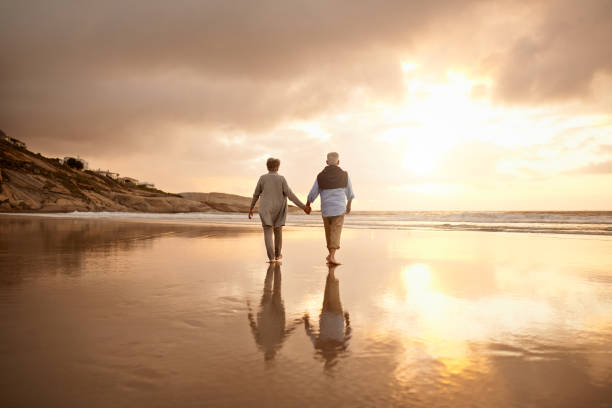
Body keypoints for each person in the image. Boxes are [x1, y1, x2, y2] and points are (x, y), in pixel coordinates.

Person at [249, 157, 310, 262]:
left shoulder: (262, 178)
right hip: (279, 210)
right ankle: (277, 255)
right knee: (278, 231)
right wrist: (303, 207)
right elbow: (290, 195)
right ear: (277, 167)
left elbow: (256, 194)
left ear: (267, 167)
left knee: (267, 232)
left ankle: (271, 258)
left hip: (265, 209)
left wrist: (251, 208)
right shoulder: (281, 179)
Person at [305, 152, 354, 265]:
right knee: (336, 232)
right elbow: (350, 192)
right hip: (339, 208)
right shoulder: (344, 175)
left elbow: (313, 192)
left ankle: (330, 255)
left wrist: (308, 204)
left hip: (326, 209)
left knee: (329, 232)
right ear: (338, 162)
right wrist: (349, 205)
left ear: (327, 162)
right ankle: (331, 256)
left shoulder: (320, 176)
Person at [303, 264, 351, 370]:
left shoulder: (323, 347)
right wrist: (306, 321)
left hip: (331, 315)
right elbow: (348, 334)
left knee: (331, 291)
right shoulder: (337, 348)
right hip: (329, 315)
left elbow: (348, 334)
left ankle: (331, 274)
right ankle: (331, 274)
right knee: (331, 292)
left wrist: (347, 320)